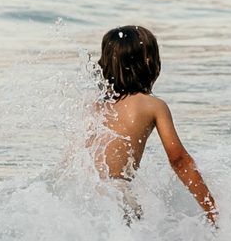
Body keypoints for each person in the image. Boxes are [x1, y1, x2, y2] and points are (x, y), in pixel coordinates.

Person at [85, 26, 218, 224]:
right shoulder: (152, 105)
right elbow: (179, 160)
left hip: (83, 192)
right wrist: (212, 210)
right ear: (149, 63)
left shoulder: (93, 106)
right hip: (116, 195)